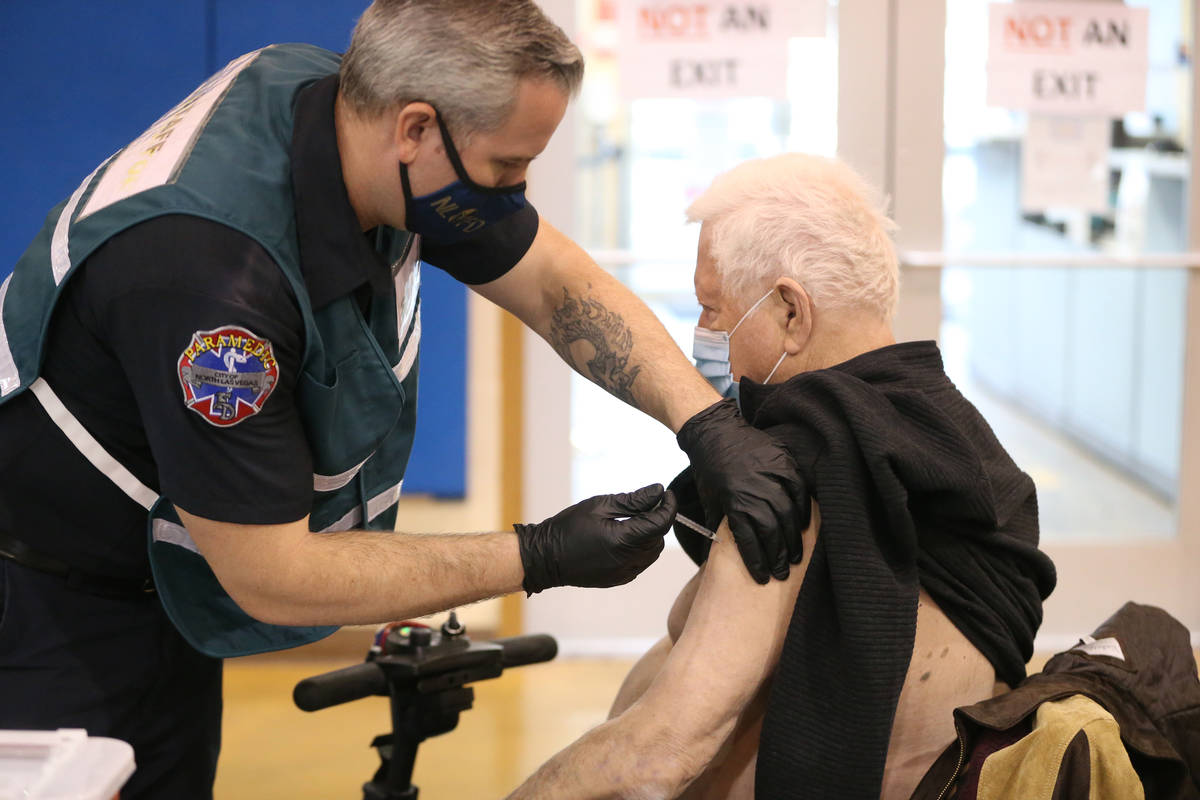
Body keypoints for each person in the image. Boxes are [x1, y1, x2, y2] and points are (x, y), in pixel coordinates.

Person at [0, 3, 809, 798]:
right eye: (505, 169)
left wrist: (703, 423)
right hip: (42, 605)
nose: (517, 190)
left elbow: (556, 284)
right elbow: (273, 576)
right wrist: (543, 554)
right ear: (415, 128)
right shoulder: (212, 283)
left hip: (161, 593)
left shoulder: (347, 115)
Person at [508, 154, 1057, 799]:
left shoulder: (807, 462)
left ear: (792, 314)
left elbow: (660, 750)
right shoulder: (947, 430)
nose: (702, 334)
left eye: (712, 308)